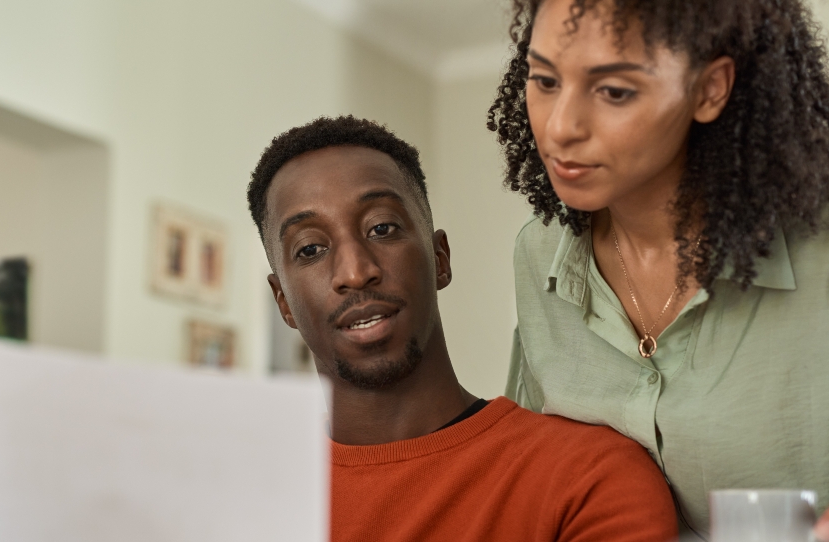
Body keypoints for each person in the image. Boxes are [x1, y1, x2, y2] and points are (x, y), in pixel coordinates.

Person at [475, 0, 829, 537]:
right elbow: (541, 474)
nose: (561, 126)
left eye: (613, 91)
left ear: (709, 89)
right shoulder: (540, 256)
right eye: (543, 79)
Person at [247, 116, 677, 542]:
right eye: (310, 249)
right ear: (283, 301)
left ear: (440, 259)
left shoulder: (586, 478)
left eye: (382, 228)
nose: (355, 272)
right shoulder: (247, 496)